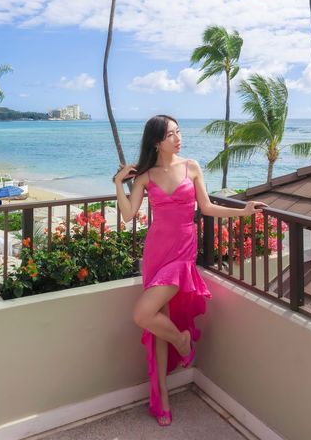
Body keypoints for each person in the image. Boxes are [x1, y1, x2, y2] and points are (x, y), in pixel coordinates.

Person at [114, 114, 268, 427]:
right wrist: (119, 183)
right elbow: (129, 214)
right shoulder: (145, 176)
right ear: (157, 141)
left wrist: (244, 211)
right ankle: (163, 398)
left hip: (182, 253)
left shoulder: (191, 166)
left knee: (143, 314)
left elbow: (208, 208)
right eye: (171, 134)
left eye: (179, 132)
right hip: (156, 253)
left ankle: (183, 342)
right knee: (155, 325)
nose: (178, 138)